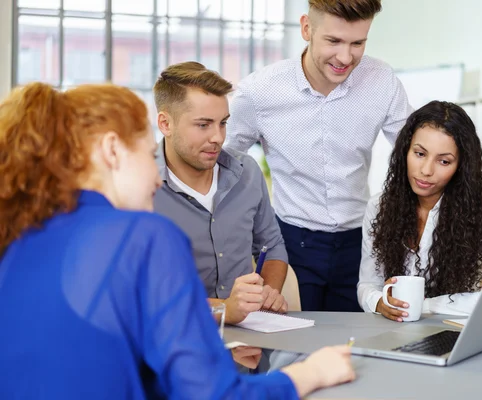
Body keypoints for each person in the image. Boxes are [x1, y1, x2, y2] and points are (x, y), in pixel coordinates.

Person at [0, 82, 354, 399]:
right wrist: (309, 374)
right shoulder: (144, 235)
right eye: (145, 153)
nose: (156, 175)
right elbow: (211, 394)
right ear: (112, 151)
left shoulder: (21, 235)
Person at [226, 0, 413, 312]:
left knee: (354, 347)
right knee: (292, 345)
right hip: (291, 245)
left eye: (358, 43)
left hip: (360, 243)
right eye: (334, 41)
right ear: (306, 28)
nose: (345, 57)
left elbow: (415, 153)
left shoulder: (381, 81)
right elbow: (223, 162)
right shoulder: (260, 91)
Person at [152, 62, 288, 324]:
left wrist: (268, 292)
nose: (217, 137)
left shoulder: (247, 171)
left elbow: (271, 247)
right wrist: (225, 309)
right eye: (203, 125)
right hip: (175, 341)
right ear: (165, 123)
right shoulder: (139, 187)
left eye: (223, 123)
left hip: (249, 343)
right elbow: (146, 292)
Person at [357, 101, 482, 321]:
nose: (426, 170)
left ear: (460, 166)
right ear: (405, 150)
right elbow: (367, 284)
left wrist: (423, 305)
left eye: (444, 161)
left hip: (451, 330)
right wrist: (379, 302)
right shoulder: (379, 207)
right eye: (420, 154)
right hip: (395, 329)